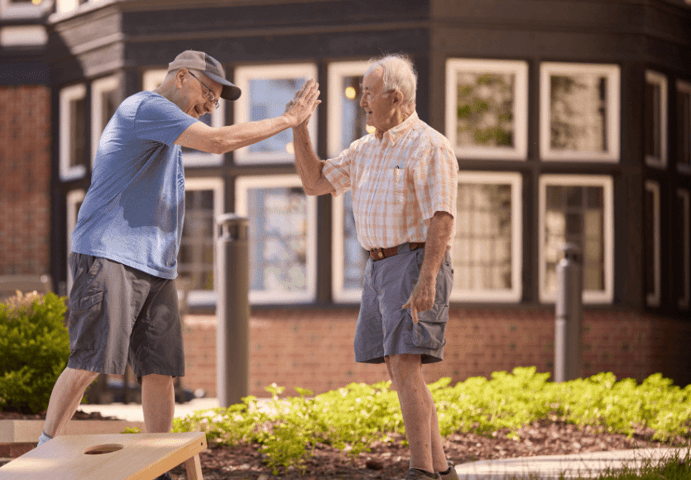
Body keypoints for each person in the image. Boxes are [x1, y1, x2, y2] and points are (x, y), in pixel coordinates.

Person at [37, 50, 320, 477]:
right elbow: (218, 142)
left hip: (156, 267)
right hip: (109, 252)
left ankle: (159, 463)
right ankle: (42, 453)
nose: (210, 105)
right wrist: (288, 120)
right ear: (181, 77)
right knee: (90, 362)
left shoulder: (168, 132)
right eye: (208, 93)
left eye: (216, 101)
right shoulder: (146, 107)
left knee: (161, 370)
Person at [289, 54, 459, 480]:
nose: (362, 100)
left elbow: (443, 216)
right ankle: (440, 469)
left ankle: (421, 470)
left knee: (405, 367)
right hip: (378, 268)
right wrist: (300, 128)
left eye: (368, 92)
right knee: (400, 371)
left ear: (395, 97)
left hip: (415, 261)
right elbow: (314, 182)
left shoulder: (430, 145)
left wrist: (428, 279)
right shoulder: (364, 149)